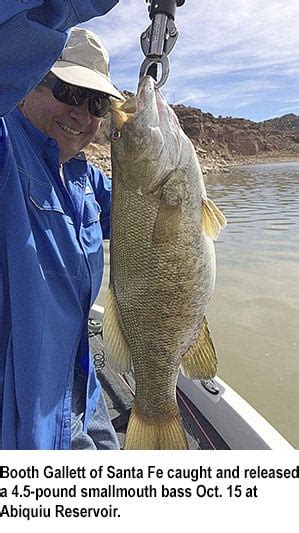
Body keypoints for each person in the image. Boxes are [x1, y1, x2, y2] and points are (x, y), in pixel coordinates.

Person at [0, 1, 122, 449]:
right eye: (68, 91)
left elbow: (153, 218)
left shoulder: (85, 177)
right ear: (28, 77)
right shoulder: (6, 147)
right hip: (24, 417)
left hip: (82, 393)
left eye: (96, 104)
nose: (82, 114)